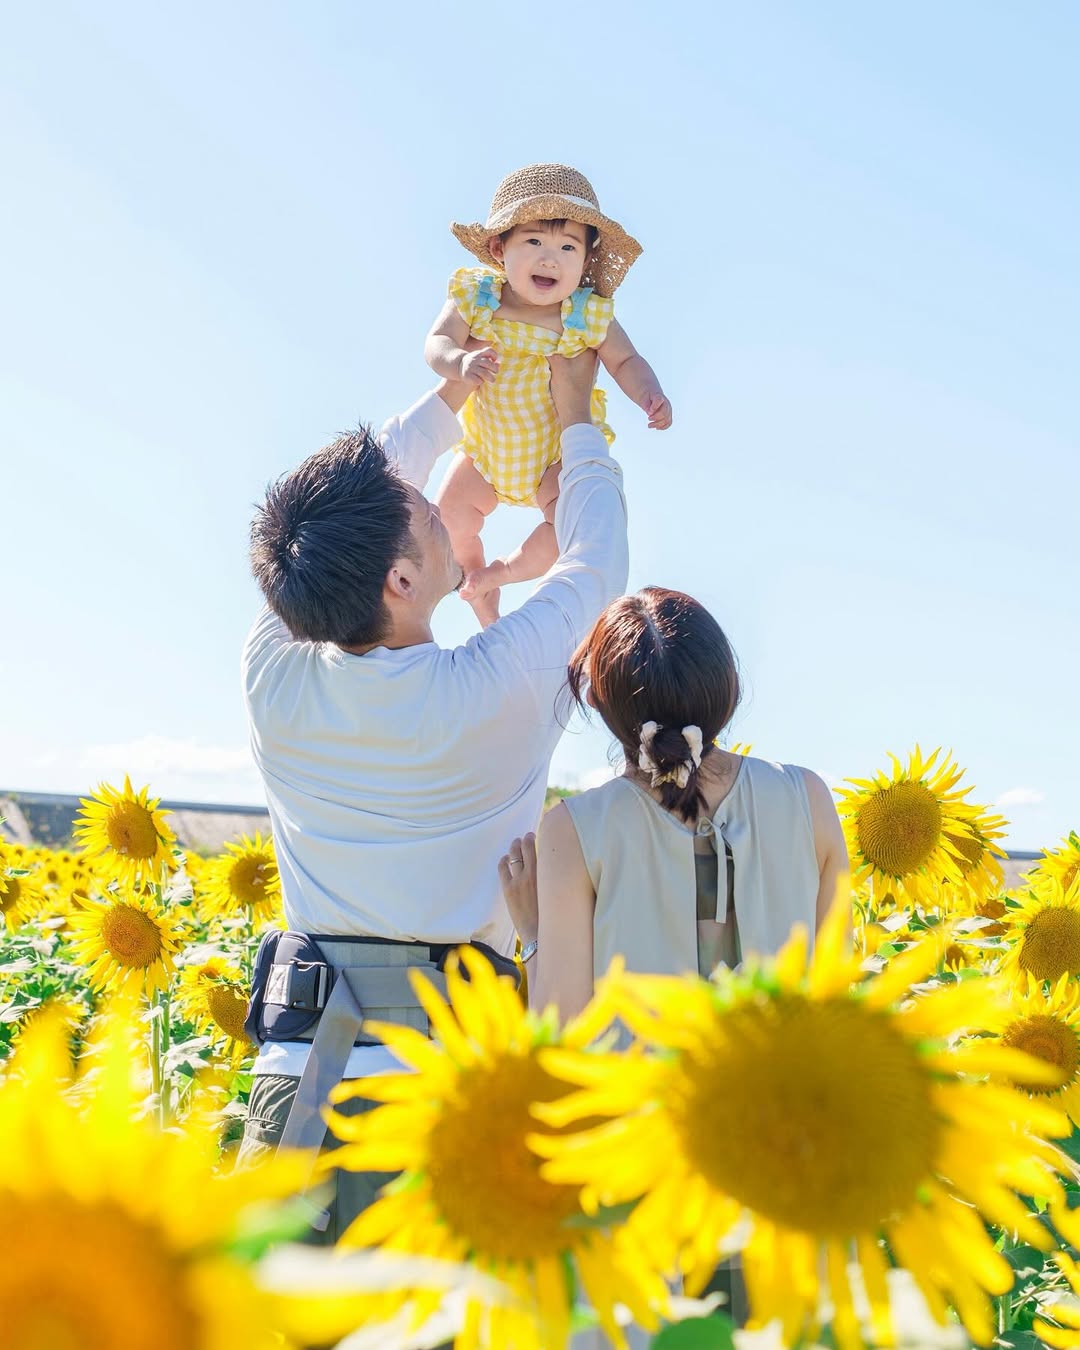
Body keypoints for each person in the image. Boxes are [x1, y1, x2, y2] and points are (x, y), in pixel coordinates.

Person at [235, 348, 628, 1243]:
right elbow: (597, 566)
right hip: (454, 1101)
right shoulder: (494, 692)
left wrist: (455, 392)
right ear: (401, 582)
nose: (439, 505)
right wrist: (578, 421)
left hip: (297, 1092)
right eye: (424, 514)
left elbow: (333, 527)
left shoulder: (273, 676)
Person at [499, 586, 849, 1020]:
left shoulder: (573, 830)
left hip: (644, 1091)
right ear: (728, 687)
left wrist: (533, 934)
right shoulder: (808, 800)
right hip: (791, 1087)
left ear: (595, 699)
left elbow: (564, 1037)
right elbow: (840, 995)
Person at [426, 163, 671, 627]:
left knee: (566, 532)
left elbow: (625, 361)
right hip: (485, 454)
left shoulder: (584, 315)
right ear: (500, 248)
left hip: (551, 461)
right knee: (448, 519)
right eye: (534, 241)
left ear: (585, 259)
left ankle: (503, 573)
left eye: (567, 246)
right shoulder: (479, 298)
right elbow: (435, 343)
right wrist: (458, 361)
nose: (550, 258)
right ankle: (476, 585)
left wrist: (650, 394)